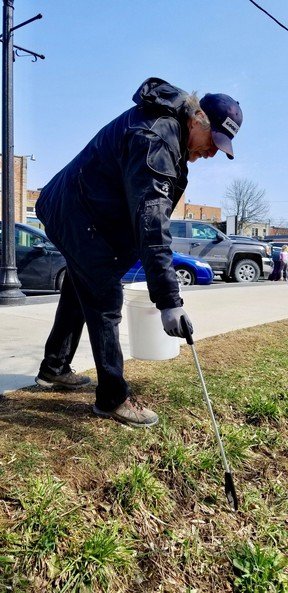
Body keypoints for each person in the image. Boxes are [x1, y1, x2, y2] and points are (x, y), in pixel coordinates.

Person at [35, 77, 243, 427]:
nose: (211, 154)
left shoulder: (171, 135)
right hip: (74, 211)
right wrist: (169, 301)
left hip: (74, 208)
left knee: (81, 284)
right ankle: (113, 398)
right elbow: (152, 224)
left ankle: (54, 367)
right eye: (213, 143)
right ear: (197, 119)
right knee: (103, 296)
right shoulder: (156, 140)